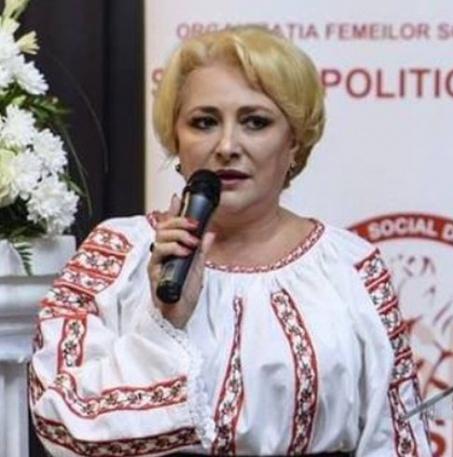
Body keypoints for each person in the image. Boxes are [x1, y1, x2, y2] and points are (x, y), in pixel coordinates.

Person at [29, 25, 432, 456]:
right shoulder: (115, 254)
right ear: (176, 139)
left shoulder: (350, 268)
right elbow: (59, 420)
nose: (226, 146)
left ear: (294, 142)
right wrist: (163, 322)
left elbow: (397, 440)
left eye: (255, 122)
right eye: (204, 122)